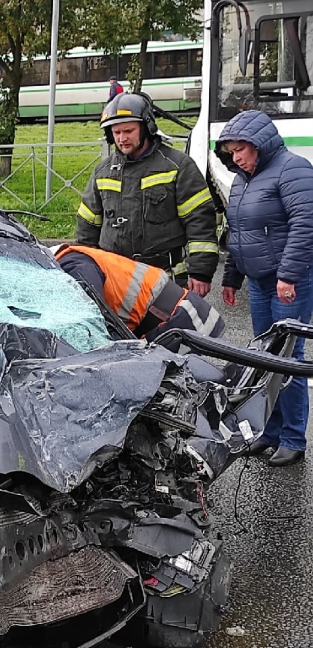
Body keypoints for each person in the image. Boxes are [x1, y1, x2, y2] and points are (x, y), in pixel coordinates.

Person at [217, 110, 313, 466]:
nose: (236, 157)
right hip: (257, 281)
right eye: (230, 151)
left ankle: (292, 439)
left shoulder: (293, 169)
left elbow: (306, 225)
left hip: (291, 281)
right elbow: (239, 232)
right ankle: (268, 433)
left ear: (260, 144)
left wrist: (288, 275)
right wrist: (232, 277)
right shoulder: (242, 180)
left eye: (241, 149)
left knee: (288, 358)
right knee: (263, 359)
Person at [76, 92, 219, 295]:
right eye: (116, 132)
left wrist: (201, 272)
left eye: (128, 131)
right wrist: (84, 269)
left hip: (166, 278)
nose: (122, 138)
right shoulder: (103, 172)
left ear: (147, 127)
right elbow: (87, 227)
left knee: (168, 327)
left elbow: (200, 221)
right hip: (117, 278)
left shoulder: (177, 166)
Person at [53, 243, 224, 345]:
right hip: (173, 317)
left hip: (176, 321)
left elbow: (92, 325)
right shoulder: (73, 258)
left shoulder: (72, 266)